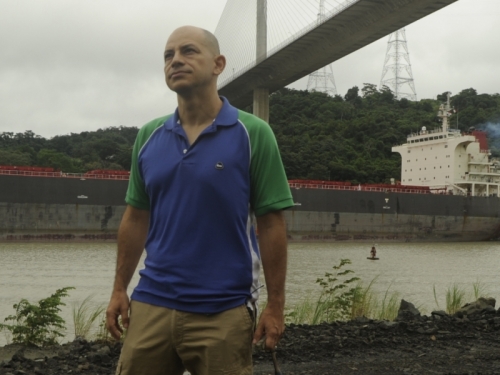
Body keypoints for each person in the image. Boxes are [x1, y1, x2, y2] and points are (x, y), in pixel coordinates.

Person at [105, 25, 294, 375]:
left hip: (224, 309)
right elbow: (135, 218)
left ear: (218, 64)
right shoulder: (149, 136)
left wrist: (276, 306)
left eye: (188, 51)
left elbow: (271, 224)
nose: (175, 60)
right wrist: (119, 289)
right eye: (168, 55)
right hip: (151, 302)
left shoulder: (253, 134)